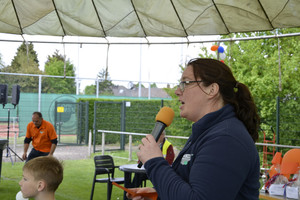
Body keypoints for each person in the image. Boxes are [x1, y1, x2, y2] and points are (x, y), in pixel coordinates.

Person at [128, 58, 261, 200]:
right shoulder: (207, 133)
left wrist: (154, 161)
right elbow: (191, 187)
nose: (177, 91)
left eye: (185, 83)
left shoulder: (226, 139)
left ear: (212, 90)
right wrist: (159, 194)